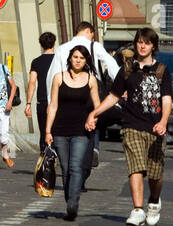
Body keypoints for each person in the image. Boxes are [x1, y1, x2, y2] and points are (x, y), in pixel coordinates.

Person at [87, 27, 173, 226]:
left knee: (155, 174)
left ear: (153, 46)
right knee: (135, 167)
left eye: (147, 43)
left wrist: (163, 121)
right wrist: (95, 112)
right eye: (140, 42)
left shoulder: (162, 70)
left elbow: (167, 99)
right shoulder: (126, 70)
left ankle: (153, 201)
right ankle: (137, 209)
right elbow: (113, 96)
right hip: (131, 125)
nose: (142, 46)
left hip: (155, 128)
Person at [47, 22, 122, 171]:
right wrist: (121, 84)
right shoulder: (94, 46)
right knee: (91, 119)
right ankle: (91, 150)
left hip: (65, 95)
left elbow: (51, 77)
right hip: (87, 91)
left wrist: (51, 102)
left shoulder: (61, 49)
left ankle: (72, 159)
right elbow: (111, 64)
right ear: (88, 31)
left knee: (68, 129)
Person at [45, 46, 102, 220]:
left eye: (82, 58)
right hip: (60, 130)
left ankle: (73, 203)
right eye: (75, 57)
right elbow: (53, 106)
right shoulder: (59, 78)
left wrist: (93, 120)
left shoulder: (91, 80)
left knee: (75, 166)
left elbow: (98, 107)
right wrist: (48, 130)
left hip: (81, 130)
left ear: (86, 61)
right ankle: (69, 198)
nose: (78, 60)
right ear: (70, 58)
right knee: (65, 167)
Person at [25, 32, 56, 152]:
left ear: (41, 45)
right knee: (56, 131)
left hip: (42, 101)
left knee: (44, 132)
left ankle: (45, 158)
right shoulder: (59, 60)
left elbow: (32, 83)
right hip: (57, 101)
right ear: (54, 43)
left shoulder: (36, 62)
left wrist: (28, 103)